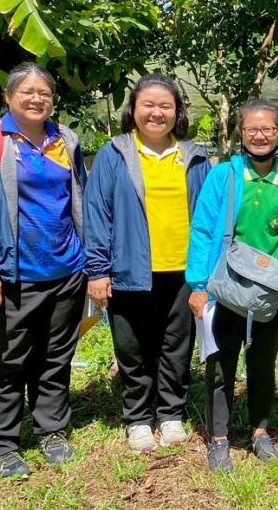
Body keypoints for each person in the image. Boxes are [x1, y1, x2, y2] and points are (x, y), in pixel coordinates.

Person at [0, 63, 88, 479]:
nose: (36, 99)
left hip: (67, 271)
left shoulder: (65, 140)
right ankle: (1, 445)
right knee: (6, 360)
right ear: (9, 97)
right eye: (27, 92)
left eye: (44, 93)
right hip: (12, 275)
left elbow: (79, 198)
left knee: (56, 357)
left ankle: (51, 429)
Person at [186, 99, 278, 473]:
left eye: (268, 129)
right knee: (220, 365)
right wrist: (198, 285)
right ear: (240, 133)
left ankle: (260, 432)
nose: (260, 136)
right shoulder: (223, 176)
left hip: (268, 294)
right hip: (223, 288)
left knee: (262, 364)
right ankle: (220, 440)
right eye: (252, 129)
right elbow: (203, 231)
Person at [84, 75, 210, 454]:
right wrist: (97, 269)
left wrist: (207, 271)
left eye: (165, 106)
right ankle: (138, 418)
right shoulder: (114, 154)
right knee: (132, 346)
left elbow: (209, 215)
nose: (157, 113)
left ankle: (171, 413)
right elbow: (97, 212)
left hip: (183, 271)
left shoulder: (194, 156)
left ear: (177, 112)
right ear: (133, 110)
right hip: (128, 270)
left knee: (177, 344)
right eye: (148, 105)